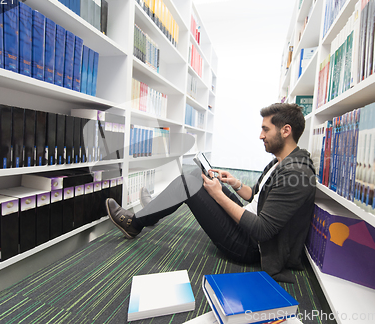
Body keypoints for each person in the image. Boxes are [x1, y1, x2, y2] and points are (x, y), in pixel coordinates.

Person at [105, 103, 316, 282]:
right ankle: (153, 211)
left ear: (285, 131)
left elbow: (262, 230)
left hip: (250, 246)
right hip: (248, 222)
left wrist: (219, 195)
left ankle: (135, 224)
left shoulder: (295, 173)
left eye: (265, 129)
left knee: (188, 184)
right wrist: (234, 184)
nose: (260, 135)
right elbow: (256, 196)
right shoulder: (281, 161)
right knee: (197, 174)